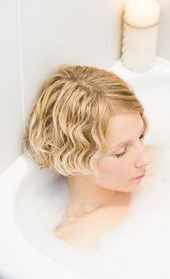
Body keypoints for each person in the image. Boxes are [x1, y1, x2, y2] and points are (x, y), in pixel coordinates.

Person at [22, 64, 154, 249]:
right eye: (121, 152)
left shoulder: (157, 169)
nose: (145, 158)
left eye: (140, 137)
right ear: (74, 158)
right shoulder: (78, 241)